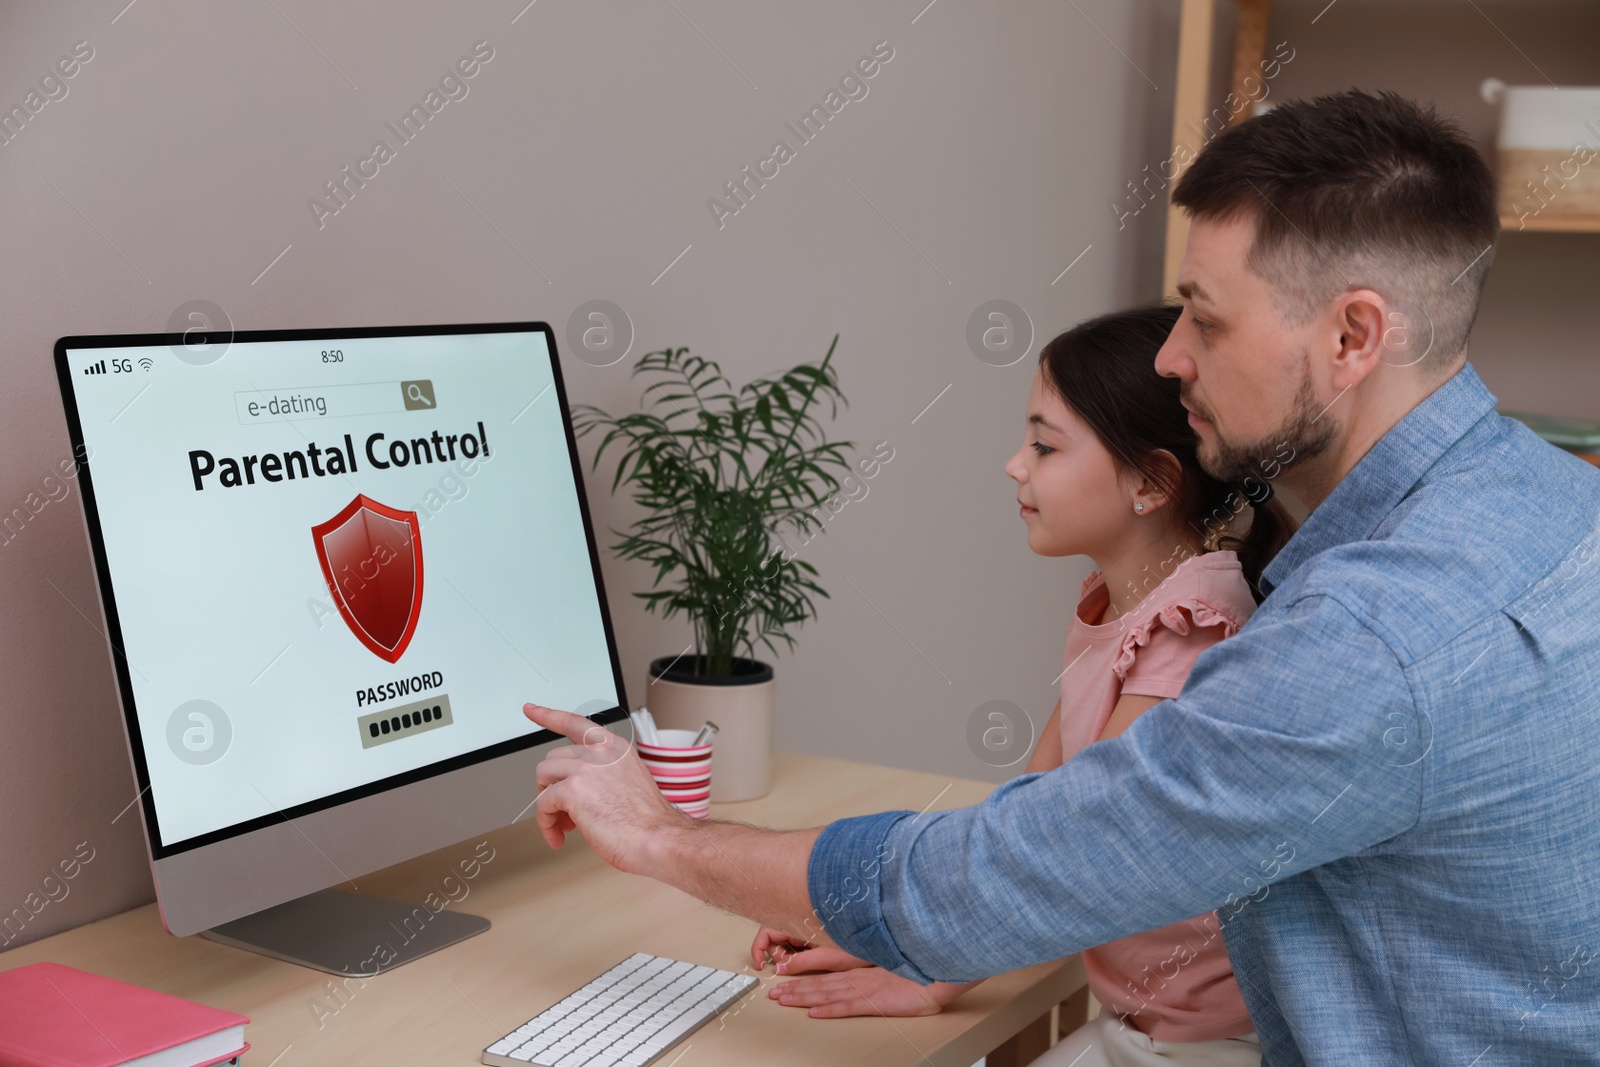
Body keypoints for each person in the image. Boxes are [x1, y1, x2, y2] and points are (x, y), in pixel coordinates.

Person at [524, 88, 1600, 1065]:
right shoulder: (1558, 501)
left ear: (1354, 334)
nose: (1172, 356)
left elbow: (1001, 875)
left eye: (1207, 318)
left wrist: (660, 832)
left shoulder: (1368, 641)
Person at [746, 304, 1289, 1066]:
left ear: (1151, 483)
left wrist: (914, 950)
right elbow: (1024, 830)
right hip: (1146, 1029)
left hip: (1208, 1048)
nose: (1015, 464)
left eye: (1044, 444)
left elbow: (1066, 860)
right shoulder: (1124, 607)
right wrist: (886, 934)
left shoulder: (1189, 627)